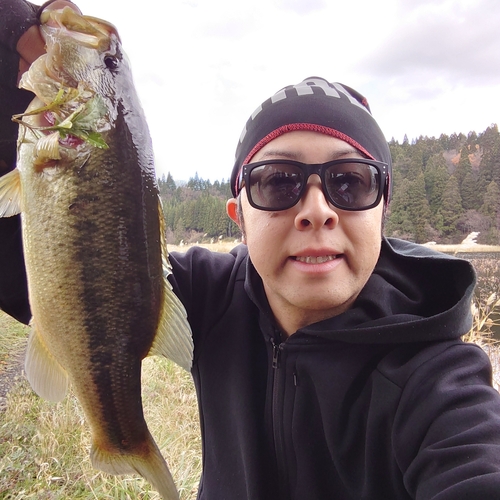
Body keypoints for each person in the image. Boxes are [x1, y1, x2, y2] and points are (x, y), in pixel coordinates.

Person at [2, 2, 500, 499]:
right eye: (278, 182)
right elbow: (39, 268)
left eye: (350, 182)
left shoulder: (440, 383)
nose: (317, 209)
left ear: (382, 209)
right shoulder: (209, 296)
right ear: (239, 217)